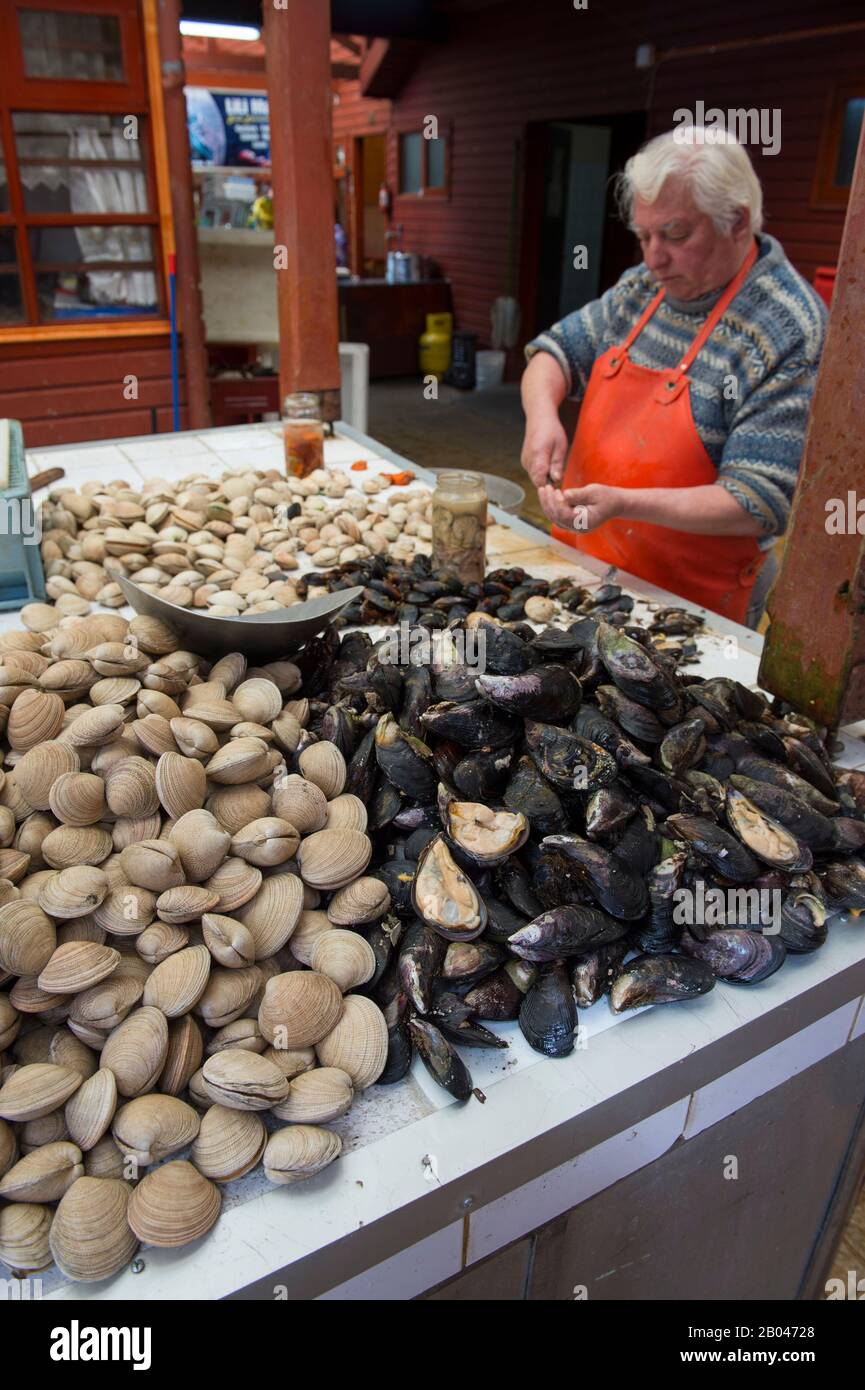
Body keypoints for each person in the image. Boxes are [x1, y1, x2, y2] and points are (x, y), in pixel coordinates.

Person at [520, 127, 827, 627]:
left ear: (737, 222)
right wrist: (541, 417)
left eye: (675, 235)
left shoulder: (789, 328)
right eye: (643, 236)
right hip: (583, 572)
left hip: (690, 610)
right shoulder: (645, 286)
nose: (653, 258)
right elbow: (554, 352)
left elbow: (760, 501)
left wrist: (623, 503)